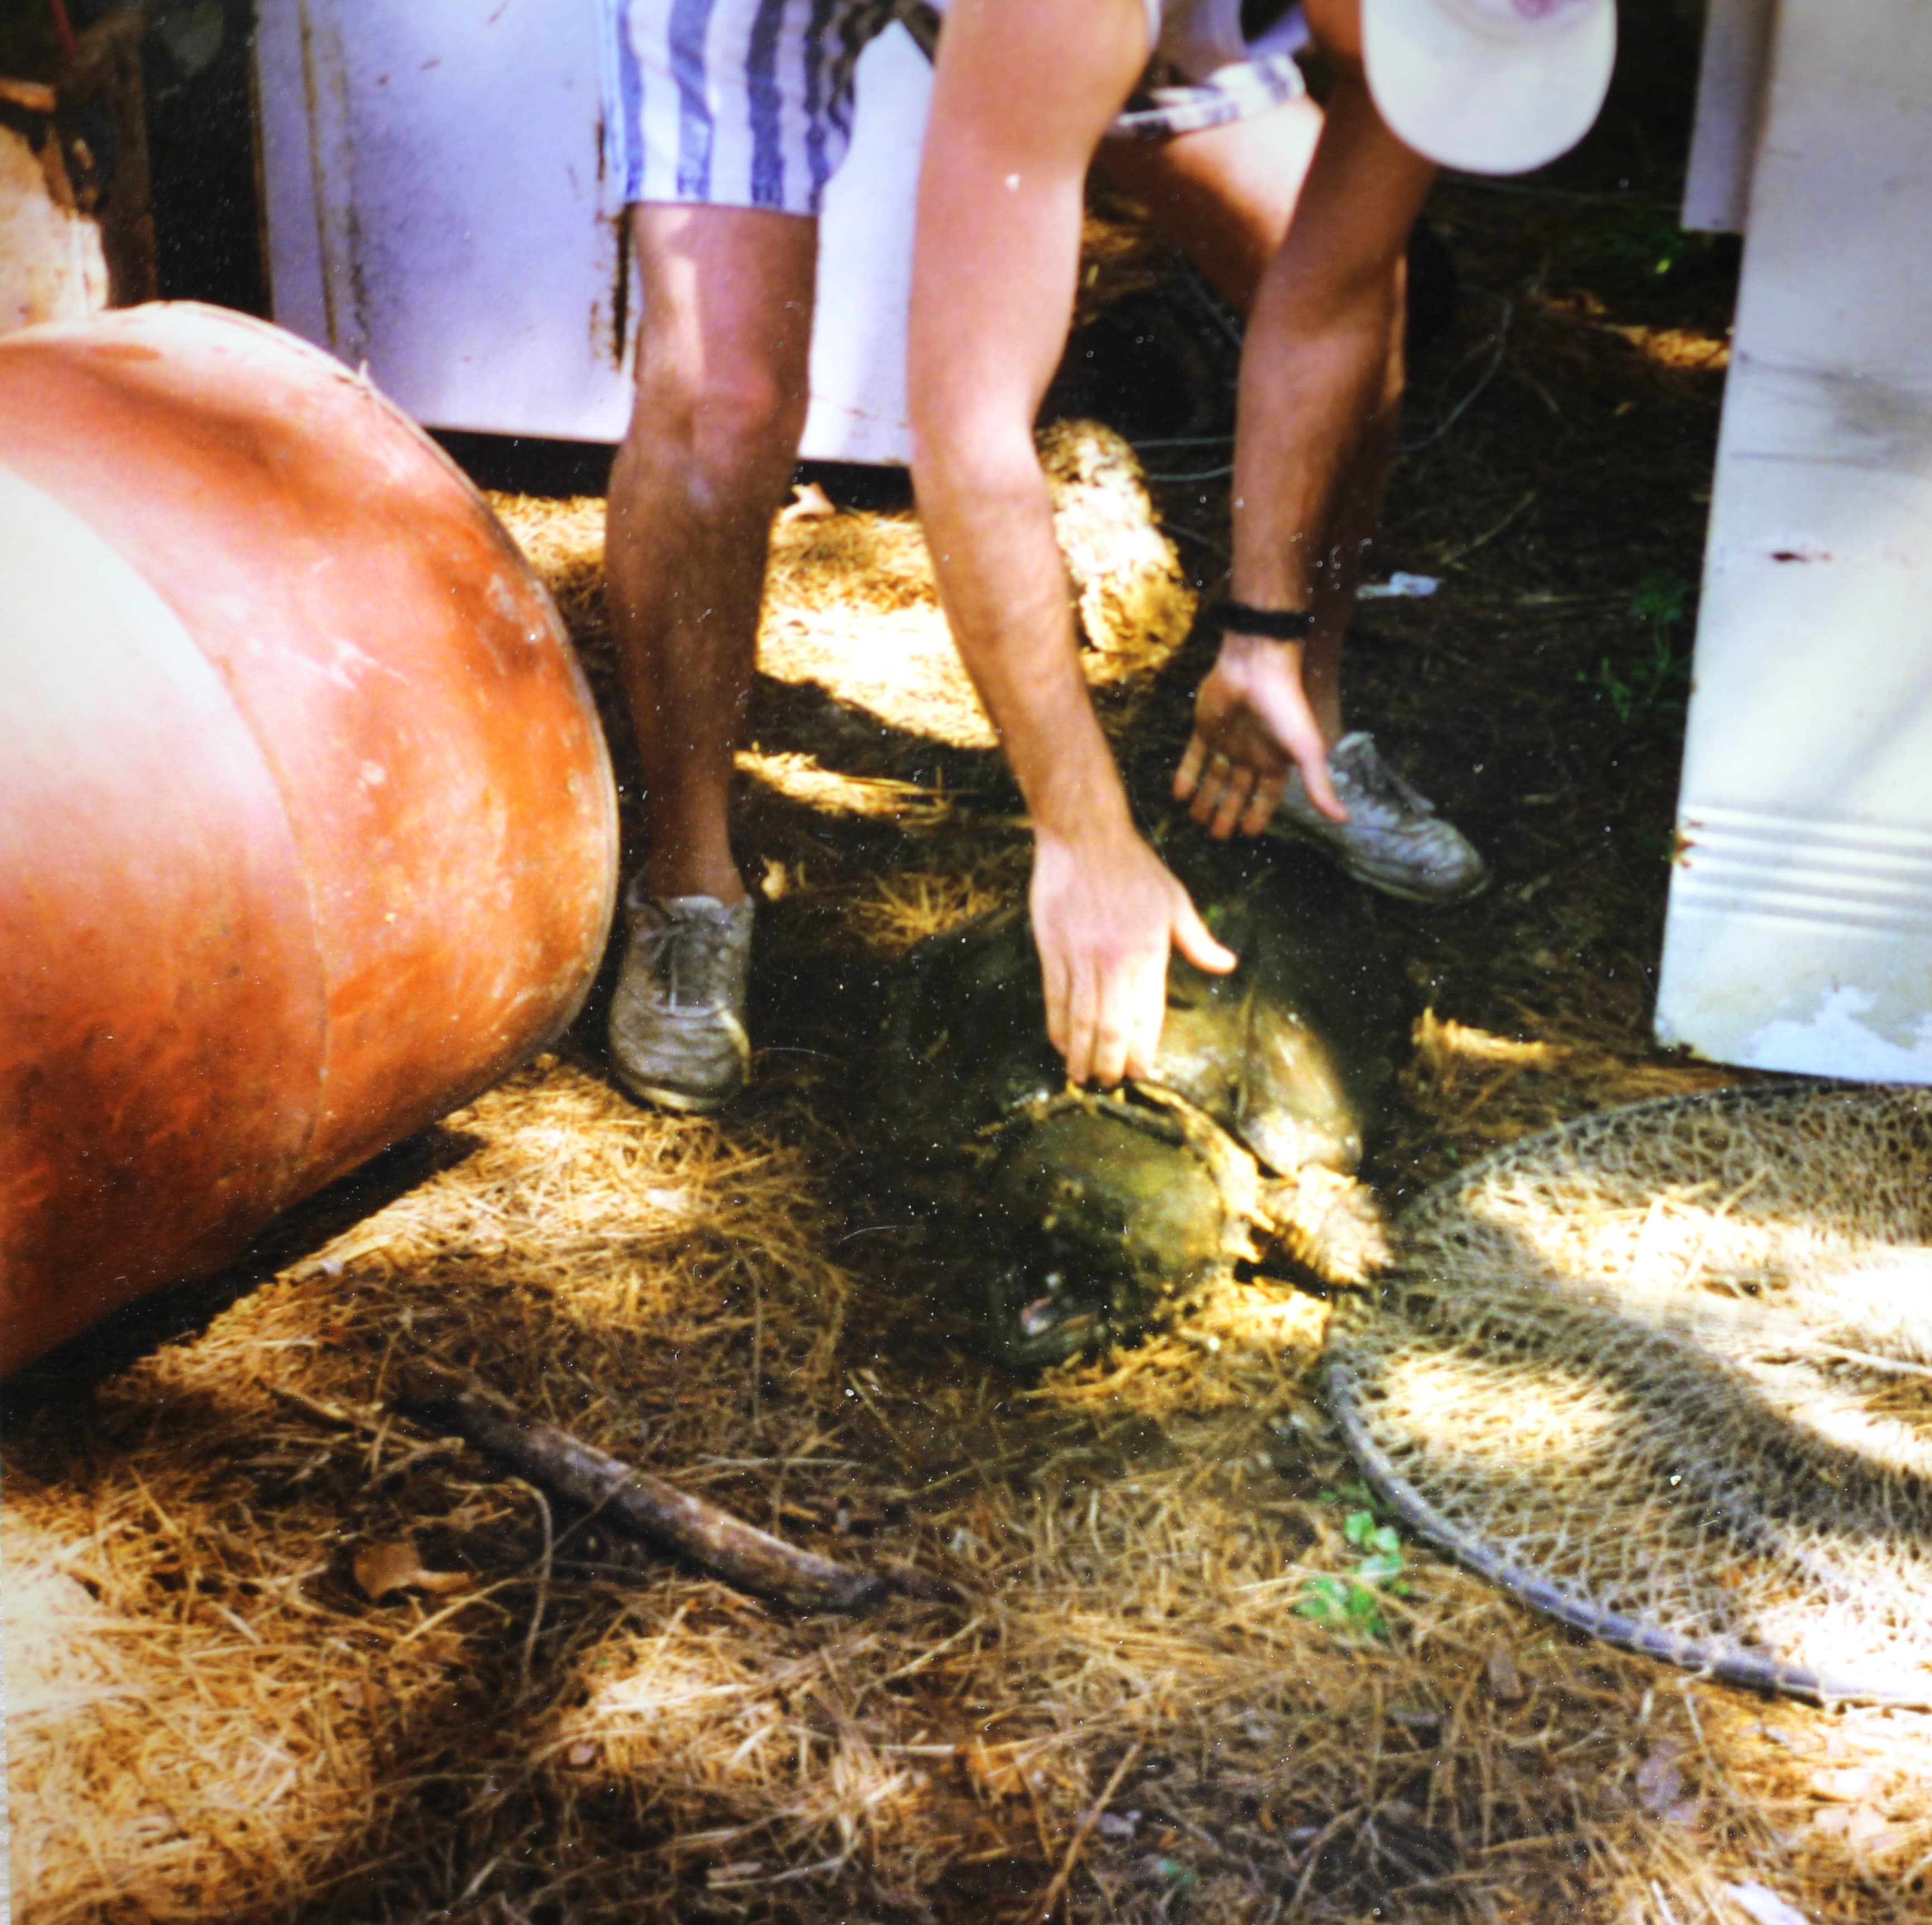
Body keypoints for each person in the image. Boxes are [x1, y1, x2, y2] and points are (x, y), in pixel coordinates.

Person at [600, 0, 1613, 1111]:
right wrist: (1083, 837)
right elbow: (969, 428)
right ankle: (688, 883)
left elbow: (1328, 305)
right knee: (723, 399)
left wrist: (1266, 635)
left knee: (1351, 285)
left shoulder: (1438, 30)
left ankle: (1302, 728)